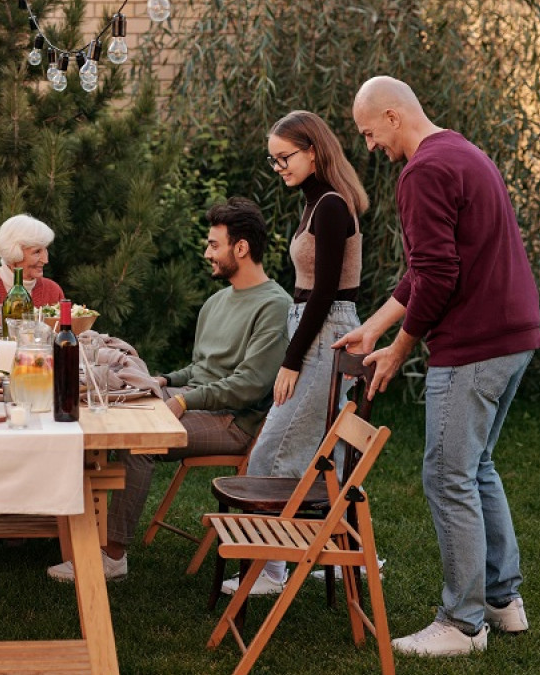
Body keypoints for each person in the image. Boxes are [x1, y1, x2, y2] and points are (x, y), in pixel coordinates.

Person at [339, 76, 540, 657]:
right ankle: (503, 603)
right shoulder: (462, 151)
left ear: (394, 115)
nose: (370, 145)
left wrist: (400, 348)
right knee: (476, 468)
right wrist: (374, 327)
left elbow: (439, 275)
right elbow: (428, 267)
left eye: (369, 131)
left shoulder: (422, 171)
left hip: (474, 345)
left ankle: (462, 623)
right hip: (512, 336)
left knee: (447, 476)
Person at [47, 197, 291, 582]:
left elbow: (249, 385)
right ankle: (60, 527)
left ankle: (112, 556)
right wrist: (164, 381)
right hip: (198, 401)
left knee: (139, 442)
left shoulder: (274, 306)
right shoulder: (216, 302)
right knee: (101, 411)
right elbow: (202, 368)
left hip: (233, 422)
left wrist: (181, 400)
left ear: (240, 248)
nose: (206, 252)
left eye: (214, 244)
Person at [227, 110, 369, 596]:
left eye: (284, 157)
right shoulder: (314, 203)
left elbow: (327, 291)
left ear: (313, 150)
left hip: (324, 331)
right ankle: (321, 553)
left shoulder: (330, 206)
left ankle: (272, 567)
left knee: (276, 447)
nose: (279, 167)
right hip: (312, 325)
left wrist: (291, 359)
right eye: (273, 161)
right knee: (289, 444)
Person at [0, 213, 65, 315]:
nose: (45, 260)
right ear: (14, 252)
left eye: (45, 250)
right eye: (37, 252)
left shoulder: (53, 291)